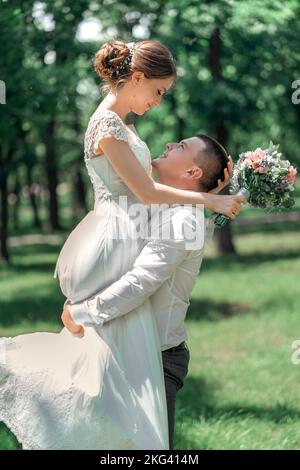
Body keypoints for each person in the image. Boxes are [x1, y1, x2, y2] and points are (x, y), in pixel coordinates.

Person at [0, 40, 245, 450]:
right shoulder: (109, 125)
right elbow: (147, 191)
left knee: (101, 382)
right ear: (137, 78)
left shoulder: (121, 124)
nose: (158, 101)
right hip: (114, 233)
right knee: (115, 403)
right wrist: (209, 197)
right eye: (158, 91)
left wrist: (217, 186)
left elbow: (152, 182)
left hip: (126, 234)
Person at [61, 133, 232, 449]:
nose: (168, 145)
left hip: (156, 360)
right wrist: (211, 193)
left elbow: (139, 283)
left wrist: (80, 313)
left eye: (180, 147)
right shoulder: (167, 205)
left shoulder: (184, 220)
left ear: (193, 173)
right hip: (123, 347)